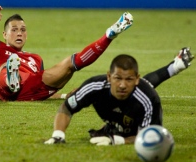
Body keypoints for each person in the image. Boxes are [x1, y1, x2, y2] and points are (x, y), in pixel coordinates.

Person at [0, 5, 133, 101]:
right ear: (5, 35)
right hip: (1, 86)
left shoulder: (35, 59)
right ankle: (11, 78)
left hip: (28, 91)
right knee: (4, 69)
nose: (19, 33)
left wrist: (63, 96)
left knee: (70, 65)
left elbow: (42, 90)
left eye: (23, 30)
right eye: (14, 30)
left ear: (27, 34)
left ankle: (109, 35)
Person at [44, 47, 194, 145]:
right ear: (109, 77)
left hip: (136, 116)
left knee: (145, 87)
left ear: (136, 79)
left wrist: (116, 140)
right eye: (117, 78)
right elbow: (67, 107)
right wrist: (58, 135)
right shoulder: (94, 86)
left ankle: (175, 66)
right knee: (144, 85)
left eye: (129, 79)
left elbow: (148, 137)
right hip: (126, 107)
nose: (122, 85)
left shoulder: (149, 99)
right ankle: (175, 66)